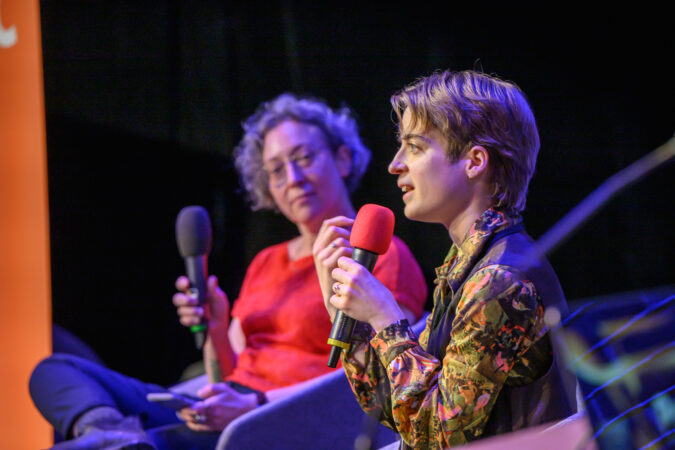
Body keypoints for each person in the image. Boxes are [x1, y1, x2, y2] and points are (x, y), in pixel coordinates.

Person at [29, 93, 428, 449]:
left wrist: (255, 404)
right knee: (55, 369)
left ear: (342, 158)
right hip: (227, 408)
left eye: (304, 158)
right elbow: (228, 371)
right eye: (275, 170)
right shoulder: (267, 261)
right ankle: (115, 437)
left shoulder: (379, 254)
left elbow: (381, 371)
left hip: (283, 420)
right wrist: (217, 328)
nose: (293, 179)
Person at [313, 70, 577, 448]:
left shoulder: (499, 280)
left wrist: (386, 318)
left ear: (474, 161)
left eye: (415, 147)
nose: (394, 164)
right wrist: (354, 326)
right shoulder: (466, 263)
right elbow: (400, 414)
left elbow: (435, 436)